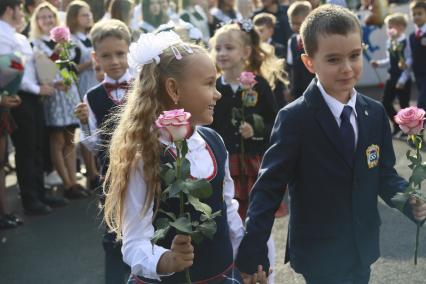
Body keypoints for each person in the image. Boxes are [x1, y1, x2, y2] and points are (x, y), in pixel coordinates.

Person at [235, 5, 426, 284]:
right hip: (319, 253)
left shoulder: (373, 114)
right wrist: (252, 252)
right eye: (334, 59)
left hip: (362, 247)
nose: (347, 68)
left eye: (354, 56)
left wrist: (409, 201)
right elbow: (268, 188)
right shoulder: (294, 118)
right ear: (309, 62)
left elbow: (384, 174)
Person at [102, 30, 265, 284]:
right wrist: (166, 260)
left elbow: (227, 207)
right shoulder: (144, 155)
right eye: (209, 83)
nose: (217, 93)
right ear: (173, 89)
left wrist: (247, 260)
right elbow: (133, 242)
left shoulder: (214, 142)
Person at [74, 19, 132, 284]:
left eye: (120, 53)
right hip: (111, 177)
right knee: (114, 236)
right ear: (96, 57)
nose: (115, 61)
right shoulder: (92, 96)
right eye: (107, 56)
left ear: (129, 51)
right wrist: (85, 123)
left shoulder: (144, 86)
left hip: (147, 170)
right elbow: (94, 146)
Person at [209, 22, 283, 219]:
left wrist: (256, 130)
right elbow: (206, 126)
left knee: (256, 217)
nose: (222, 53)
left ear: (246, 51)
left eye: (229, 48)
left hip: (252, 162)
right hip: (222, 164)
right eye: (218, 48)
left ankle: (260, 250)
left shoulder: (259, 86)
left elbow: (275, 124)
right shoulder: (213, 87)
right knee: (228, 218)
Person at [30, 2, 87, 199]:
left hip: (68, 95)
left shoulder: (66, 41)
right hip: (52, 97)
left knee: (70, 139)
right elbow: (42, 73)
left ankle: (74, 181)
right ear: (36, 21)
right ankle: (67, 183)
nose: (47, 20)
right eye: (43, 17)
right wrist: (56, 56)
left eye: (50, 16)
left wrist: (68, 78)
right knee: (57, 140)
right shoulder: (35, 44)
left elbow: (71, 66)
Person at [66, 0, 100, 191]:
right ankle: (91, 172)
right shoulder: (73, 42)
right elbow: (70, 70)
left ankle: (97, 169)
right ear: (74, 18)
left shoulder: (89, 37)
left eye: (89, 14)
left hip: (96, 82)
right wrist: (90, 63)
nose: (89, 17)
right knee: (87, 128)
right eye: (84, 15)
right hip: (84, 86)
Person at [370, 13, 411, 137]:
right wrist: (379, 63)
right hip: (392, 76)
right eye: (388, 27)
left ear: (402, 27)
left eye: (392, 26)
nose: (389, 30)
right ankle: (397, 125)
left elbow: (409, 60)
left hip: (403, 78)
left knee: (404, 105)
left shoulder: (406, 41)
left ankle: (408, 130)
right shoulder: (389, 41)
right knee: (385, 102)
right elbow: (390, 60)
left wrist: (403, 79)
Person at [286, 0, 314, 100]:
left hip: (314, 87)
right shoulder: (292, 41)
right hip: (298, 90)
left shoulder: (315, 40)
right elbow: (290, 66)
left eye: (298, 23)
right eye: (292, 23)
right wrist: (290, 87)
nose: (295, 27)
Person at [407, 0, 426, 113]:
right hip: (418, 73)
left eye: (420, 13)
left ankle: (417, 128)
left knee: (421, 102)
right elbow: (411, 55)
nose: (417, 16)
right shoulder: (411, 36)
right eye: (414, 14)